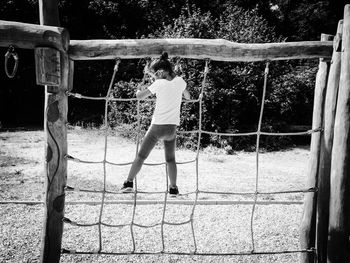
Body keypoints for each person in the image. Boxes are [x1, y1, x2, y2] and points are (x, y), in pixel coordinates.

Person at [120, 52, 191, 197]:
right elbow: (188, 96)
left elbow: (140, 96)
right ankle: (173, 188)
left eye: (156, 73)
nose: (156, 75)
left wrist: (138, 89)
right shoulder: (180, 81)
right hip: (172, 128)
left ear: (163, 71)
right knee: (171, 159)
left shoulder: (159, 83)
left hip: (157, 127)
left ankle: (128, 183)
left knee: (141, 156)